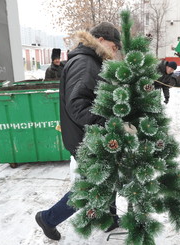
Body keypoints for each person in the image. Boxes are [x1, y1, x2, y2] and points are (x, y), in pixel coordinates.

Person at [35, 22, 121, 241]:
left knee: (106, 176)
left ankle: (109, 218)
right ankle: (48, 218)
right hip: (85, 138)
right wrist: (107, 121)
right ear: (101, 41)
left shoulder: (89, 60)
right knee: (89, 186)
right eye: (114, 45)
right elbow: (78, 106)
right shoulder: (84, 63)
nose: (116, 51)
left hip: (88, 135)